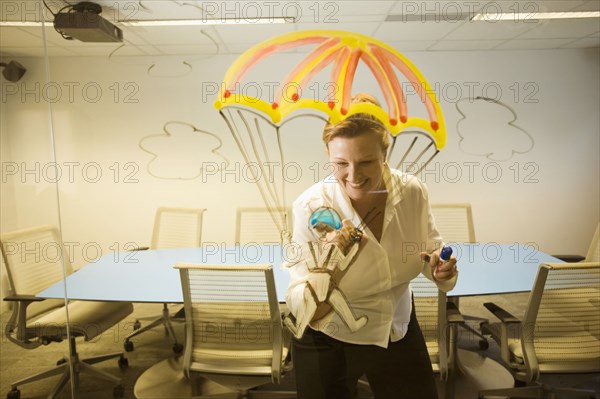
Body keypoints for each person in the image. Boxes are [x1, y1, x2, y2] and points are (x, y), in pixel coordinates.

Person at [285, 93, 459, 399]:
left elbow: (430, 253)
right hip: (329, 334)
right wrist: (332, 267)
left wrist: (440, 270)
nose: (353, 176)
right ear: (328, 156)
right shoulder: (310, 207)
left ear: (385, 153)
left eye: (366, 162)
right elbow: (305, 309)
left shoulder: (412, 191)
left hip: (396, 325)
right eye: (340, 163)